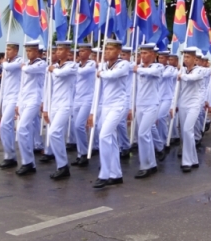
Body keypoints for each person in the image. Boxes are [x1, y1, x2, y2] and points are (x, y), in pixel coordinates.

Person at [88, 38, 130, 189]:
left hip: (118, 105)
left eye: (111, 49)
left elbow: (112, 76)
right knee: (109, 139)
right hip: (105, 105)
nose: (107, 52)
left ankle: (104, 174)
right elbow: (98, 92)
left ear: (119, 51)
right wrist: (93, 112)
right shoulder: (103, 66)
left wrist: (100, 72)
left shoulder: (124, 64)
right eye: (106, 50)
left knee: (104, 136)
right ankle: (116, 174)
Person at [42, 41, 78, 180]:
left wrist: (52, 69)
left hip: (65, 104)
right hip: (54, 105)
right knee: (54, 134)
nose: (57, 52)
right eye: (57, 49)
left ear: (68, 52)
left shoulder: (72, 66)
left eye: (61, 49)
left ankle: (63, 165)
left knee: (54, 132)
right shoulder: (54, 67)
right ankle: (61, 165)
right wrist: (46, 108)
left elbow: (61, 74)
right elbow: (48, 89)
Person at [14, 42, 46, 176]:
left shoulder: (41, 64)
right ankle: (28, 162)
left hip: (34, 99)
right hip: (24, 100)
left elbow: (28, 70)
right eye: (27, 51)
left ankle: (28, 162)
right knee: (24, 130)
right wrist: (18, 103)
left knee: (22, 128)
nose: (29, 53)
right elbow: (22, 86)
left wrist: (24, 66)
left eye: (31, 51)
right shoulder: (26, 65)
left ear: (38, 52)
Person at [132, 43, 163, 179]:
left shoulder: (158, 67)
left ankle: (145, 165)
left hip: (152, 104)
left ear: (153, 55)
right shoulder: (138, 68)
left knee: (142, 133)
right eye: (141, 53)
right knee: (146, 135)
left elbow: (152, 73)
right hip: (140, 104)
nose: (142, 56)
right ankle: (151, 164)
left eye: (145, 53)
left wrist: (137, 69)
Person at [174, 47, 204, 172]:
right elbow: (178, 90)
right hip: (183, 104)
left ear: (195, 59)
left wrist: (181, 75)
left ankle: (186, 162)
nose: (185, 59)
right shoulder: (182, 70)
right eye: (184, 57)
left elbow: (192, 78)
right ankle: (194, 160)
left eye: (188, 57)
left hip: (194, 104)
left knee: (187, 130)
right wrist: (174, 105)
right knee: (185, 133)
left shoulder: (199, 70)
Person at [69, 43, 95, 167]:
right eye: (80, 51)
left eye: (84, 51)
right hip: (77, 98)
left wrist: (73, 68)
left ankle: (84, 153)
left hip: (87, 99)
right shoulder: (77, 65)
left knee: (80, 125)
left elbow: (82, 73)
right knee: (75, 126)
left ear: (89, 52)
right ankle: (80, 154)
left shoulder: (92, 64)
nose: (80, 53)